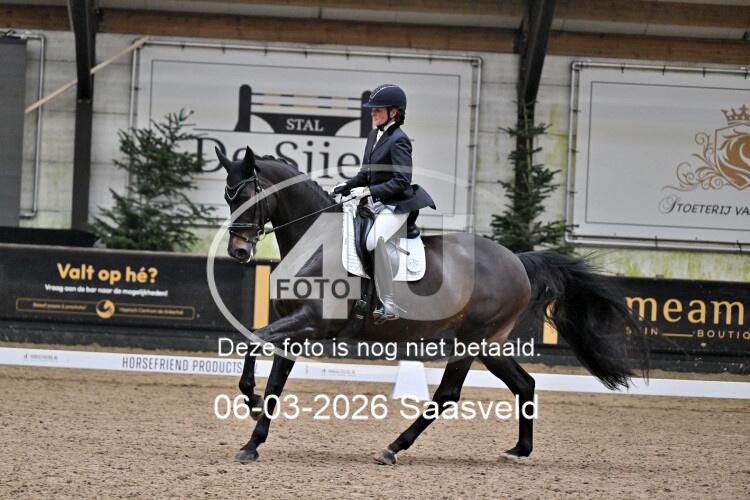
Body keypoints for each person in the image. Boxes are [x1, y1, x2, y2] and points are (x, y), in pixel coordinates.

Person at [331, 84, 435, 323]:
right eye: (372, 110)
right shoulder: (373, 136)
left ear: (393, 112)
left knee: (373, 240)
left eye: (377, 110)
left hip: (396, 204)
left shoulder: (400, 140)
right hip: (376, 203)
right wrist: (346, 185)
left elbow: (401, 181)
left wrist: (369, 191)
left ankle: (388, 302)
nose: (373, 113)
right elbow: (364, 174)